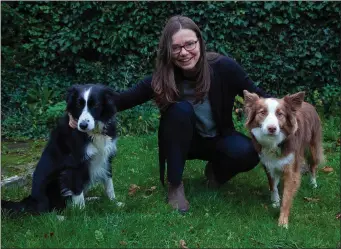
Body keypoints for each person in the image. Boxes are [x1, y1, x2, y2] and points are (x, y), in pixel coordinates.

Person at [69, 15, 269, 213]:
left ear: (200, 42)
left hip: (218, 138)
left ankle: (215, 173)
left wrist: (293, 110)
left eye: (190, 44)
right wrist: (78, 111)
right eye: (176, 48)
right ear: (169, 50)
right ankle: (175, 185)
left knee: (250, 152)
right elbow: (120, 100)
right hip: (182, 143)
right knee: (180, 109)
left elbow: (261, 96)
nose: (184, 52)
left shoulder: (224, 67)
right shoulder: (161, 78)